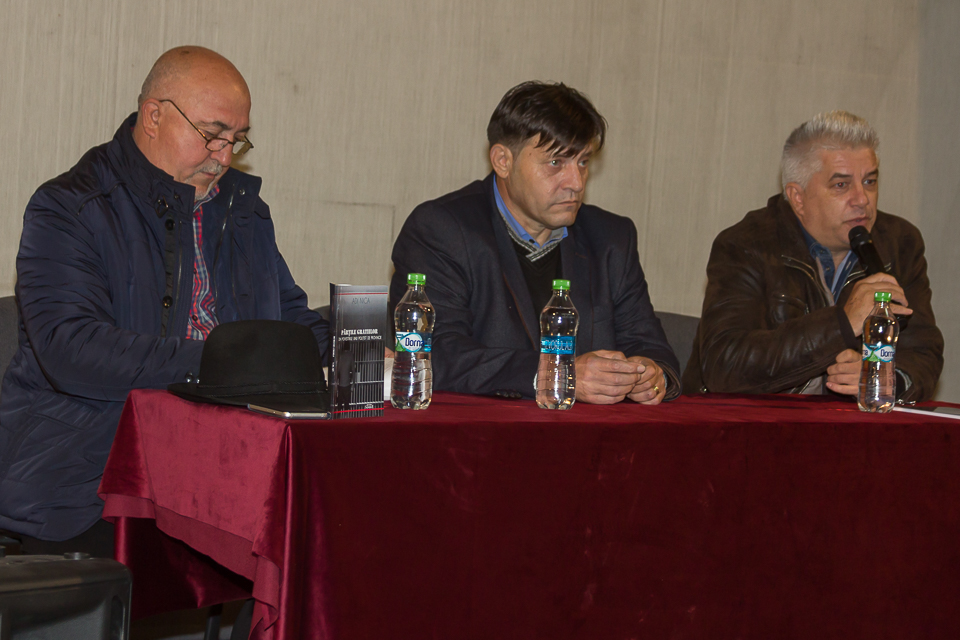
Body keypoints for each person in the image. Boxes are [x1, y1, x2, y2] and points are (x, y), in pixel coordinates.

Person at [0, 46, 328, 550]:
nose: (224, 157)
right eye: (212, 134)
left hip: (224, 472)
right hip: (89, 480)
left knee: (323, 540)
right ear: (154, 116)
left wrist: (361, 354)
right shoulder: (70, 207)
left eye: (236, 140)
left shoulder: (243, 211)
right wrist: (223, 365)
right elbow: (71, 349)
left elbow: (288, 323)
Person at [390, 81, 680, 405]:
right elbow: (436, 353)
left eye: (583, 162)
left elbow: (651, 346)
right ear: (503, 161)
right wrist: (557, 374)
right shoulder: (442, 230)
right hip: (484, 431)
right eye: (556, 163)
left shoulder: (611, 238)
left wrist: (650, 374)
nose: (576, 183)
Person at [683, 111, 943, 400]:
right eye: (841, 185)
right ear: (798, 197)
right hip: (755, 422)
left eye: (870, 181)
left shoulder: (899, 243)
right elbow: (725, 365)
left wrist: (884, 378)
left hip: (850, 423)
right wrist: (842, 324)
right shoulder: (746, 245)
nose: (862, 200)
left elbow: (923, 353)